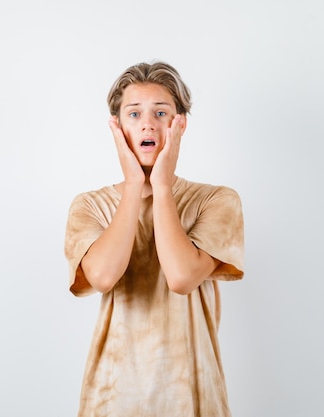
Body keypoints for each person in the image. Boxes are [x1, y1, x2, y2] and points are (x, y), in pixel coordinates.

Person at [64, 61, 244, 417]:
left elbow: (181, 278)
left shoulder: (217, 200)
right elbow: (102, 277)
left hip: (192, 396)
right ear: (117, 127)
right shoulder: (90, 206)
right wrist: (133, 185)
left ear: (180, 125)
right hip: (112, 397)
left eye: (161, 112)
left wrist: (162, 186)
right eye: (134, 114)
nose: (147, 123)